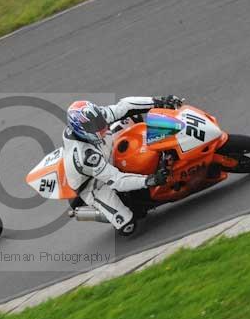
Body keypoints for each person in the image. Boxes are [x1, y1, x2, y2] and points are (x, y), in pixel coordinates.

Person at [63, 95, 183, 235]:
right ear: (80, 130)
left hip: (105, 149)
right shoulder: (86, 157)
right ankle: (92, 211)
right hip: (94, 183)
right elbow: (117, 180)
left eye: (100, 122)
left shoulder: (97, 118)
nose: (101, 127)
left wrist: (159, 102)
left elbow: (125, 106)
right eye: (94, 127)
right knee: (127, 225)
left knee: (134, 117)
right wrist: (150, 180)